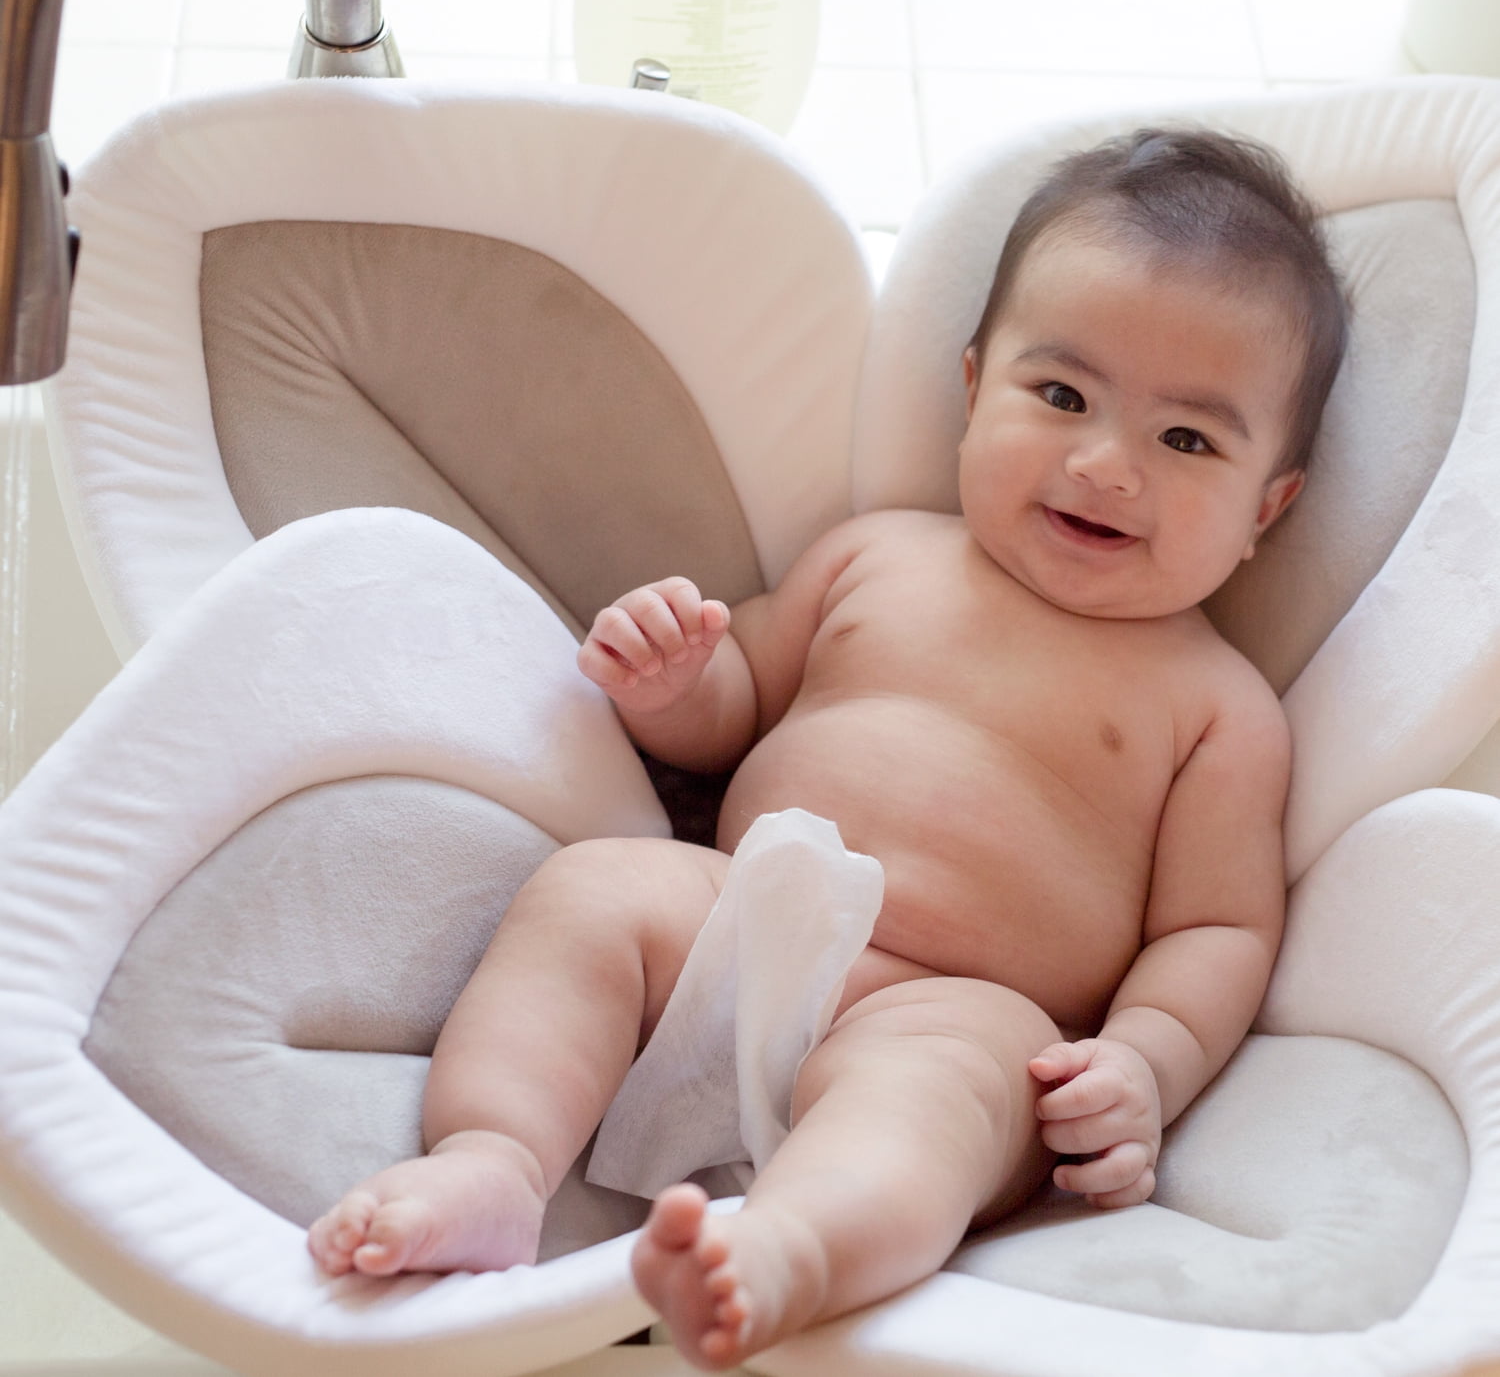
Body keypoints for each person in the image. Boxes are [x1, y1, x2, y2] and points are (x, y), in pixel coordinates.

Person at [307, 127, 1348, 1370]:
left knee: (944, 1100)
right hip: (738, 910)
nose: (1104, 466)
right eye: (1061, 396)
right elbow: (741, 701)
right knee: (593, 893)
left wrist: (1142, 1062)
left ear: (1267, 509)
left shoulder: (1218, 705)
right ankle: (493, 1162)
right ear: (974, 389)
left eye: (1187, 441)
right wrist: (673, 681)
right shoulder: (879, 555)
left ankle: (785, 1255)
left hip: (952, 1009)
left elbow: (1215, 932)